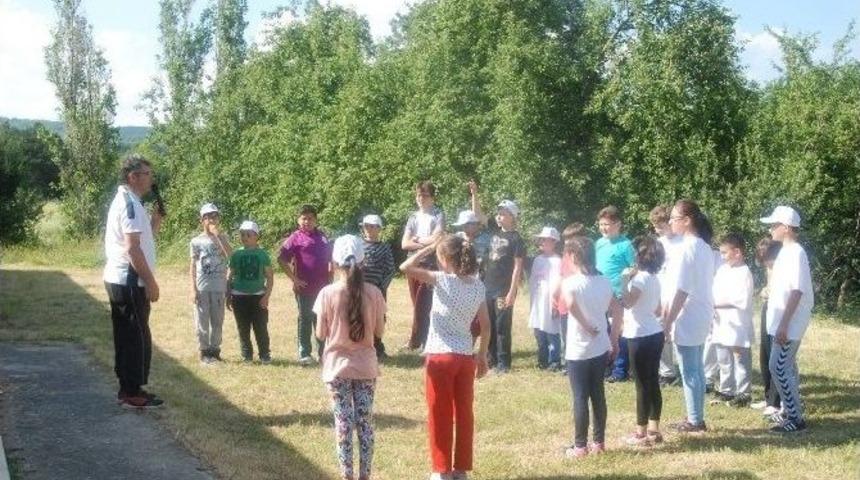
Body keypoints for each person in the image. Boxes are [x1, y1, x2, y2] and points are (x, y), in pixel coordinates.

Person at [400, 235, 490, 480]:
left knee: (439, 413)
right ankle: (461, 469)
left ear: (444, 259)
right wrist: (481, 355)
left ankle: (442, 470)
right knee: (464, 414)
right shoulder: (478, 285)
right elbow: (486, 325)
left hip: (440, 356)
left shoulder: (441, 280)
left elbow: (405, 268)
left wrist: (428, 247)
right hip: (465, 357)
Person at [314, 235, 387, 480]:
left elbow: (320, 333)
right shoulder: (375, 293)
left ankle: (347, 475)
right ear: (363, 262)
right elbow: (378, 332)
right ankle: (365, 475)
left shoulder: (327, 293)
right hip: (366, 366)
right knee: (365, 424)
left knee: (343, 425)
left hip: (336, 367)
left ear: (335, 264)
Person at [103, 154, 164, 409]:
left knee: (131, 334)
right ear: (133, 177)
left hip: (125, 280)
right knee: (134, 336)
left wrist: (155, 221)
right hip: (129, 281)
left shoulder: (132, 202)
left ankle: (130, 388)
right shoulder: (128, 204)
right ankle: (131, 391)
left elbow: (143, 240)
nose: (152, 180)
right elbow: (133, 250)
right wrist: (150, 282)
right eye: (148, 174)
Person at [561, 236, 623, 458]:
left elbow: (569, 305)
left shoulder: (570, 282)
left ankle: (579, 447)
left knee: (580, 396)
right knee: (598, 394)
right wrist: (614, 339)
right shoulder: (604, 281)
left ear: (574, 256)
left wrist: (586, 325)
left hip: (579, 348)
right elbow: (618, 310)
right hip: (600, 346)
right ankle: (599, 443)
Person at [663, 200, 715, 433]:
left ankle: (695, 420)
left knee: (689, 369)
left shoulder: (687, 248)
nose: (670, 222)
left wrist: (668, 320)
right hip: (701, 312)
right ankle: (695, 414)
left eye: (674, 218)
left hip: (688, 314)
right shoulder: (704, 246)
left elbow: (682, 289)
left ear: (687, 221)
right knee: (696, 367)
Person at [760, 206, 814, 433]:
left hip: (789, 324)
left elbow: (797, 291)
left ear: (786, 227)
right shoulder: (785, 252)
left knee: (778, 367)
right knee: (787, 367)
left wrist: (783, 325)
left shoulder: (796, 253)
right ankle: (788, 411)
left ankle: (795, 418)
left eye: (774, 225)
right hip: (782, 321)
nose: (771, 229)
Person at [620, 236, 666, 446]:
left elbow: (628, 303)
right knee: (653, 381)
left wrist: (623, 280)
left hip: (639, 335)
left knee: (641, 384)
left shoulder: (639, 279)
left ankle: (640, 433)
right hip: (655, 332)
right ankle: (654, 429)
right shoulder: (655, 278)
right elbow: (657, 309)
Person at [279, 204, 332, 365]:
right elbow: (281, 259)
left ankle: (323, 353)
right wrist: (294, 279)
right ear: (298, 220)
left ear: (316, 220)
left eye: (310, 218)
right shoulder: (295, 238)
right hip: (304, 288)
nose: (307, 221)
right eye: (304, 218)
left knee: (322, 319)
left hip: (323, 288)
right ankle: (305, 353)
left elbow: (330, 259)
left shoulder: (322, 237)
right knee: (305, 319)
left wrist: (331, 280)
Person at [711, 233, 755, 407]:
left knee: (740, 359)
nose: (722, 257)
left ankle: (743, 393)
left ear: (737, 252)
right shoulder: (722, 270)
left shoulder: (744, 272)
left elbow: (741, 300)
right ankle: (726, 389)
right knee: (723, 358)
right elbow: (714, 291)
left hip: (737, 323)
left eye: (724, 253)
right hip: (721, 322)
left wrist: (718, 305)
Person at [401, 181, 446, 351]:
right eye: (418, 195)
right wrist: (426, 242)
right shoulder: (413, 217)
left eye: (425, 195)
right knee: (416, 303)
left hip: (430, 264)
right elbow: (404, 244)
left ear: (432, 197)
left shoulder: (438, 214)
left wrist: (417, 239)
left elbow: (437, 238)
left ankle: (425, 340)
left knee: (426, 303)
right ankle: (417, 339)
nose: (420, 198)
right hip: (412, 264)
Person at [483, 199, 526, 373]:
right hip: (488, 288)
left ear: (512, 217)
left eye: (503, 214)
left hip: (503, 289)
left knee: (502, 326)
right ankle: (490, 358)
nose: (499, 217)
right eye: (498, 213)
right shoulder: (493, 235)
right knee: (489, 324)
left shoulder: (516, 239)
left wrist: (512, 291)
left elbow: (518, 267)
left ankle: (503, 363)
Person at [595, 206, 635, 382]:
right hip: (599, 295)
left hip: (618, 296)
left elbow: (635, 268)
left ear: (618, 224)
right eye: (601, 224)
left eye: (608, 224)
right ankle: (605, 365)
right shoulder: (598, 243)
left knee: (618, 332)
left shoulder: (626, 245)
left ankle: (620, 370)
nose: (604, 228)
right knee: (602, 331)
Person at [190, 203, 232, 364]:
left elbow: (231, 256)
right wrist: (192, 288)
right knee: (202, 320)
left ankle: (215, 350)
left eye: (214, 216)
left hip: (219, 286)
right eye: (207, 217)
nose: (211, 220)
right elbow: (192, 265)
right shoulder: (196, 241)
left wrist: (219, 236)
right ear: (202, 220)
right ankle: (204, 351)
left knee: (217, 320)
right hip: (202, 286)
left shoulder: (223, 238)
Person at [227, 221, 274, 363]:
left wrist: (266, 297)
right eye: (242, 234)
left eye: (248, 234)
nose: (245, 237)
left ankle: (265, 355)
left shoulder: (263, 254)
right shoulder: (236, 254)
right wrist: (228, 294)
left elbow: (270, 277)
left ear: (256, 236)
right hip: (239, 297)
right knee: (243, 328)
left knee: (260, 327)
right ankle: (246, 355)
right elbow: (229, 275)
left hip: (258, 297)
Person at [751, 237, 783, 415]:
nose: (766, 265)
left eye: (768, 261)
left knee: (775, 357)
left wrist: (769, 292)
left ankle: (776, 402)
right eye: (762, 261)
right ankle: (768, 398)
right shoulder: (769, 267)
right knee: (764, 354)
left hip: (778, 311)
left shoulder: (783, 266)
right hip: (768, 307)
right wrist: (765, 290)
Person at [649, 205, 681, 386]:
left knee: (678, 332)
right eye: (655, 226)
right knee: (661, 331)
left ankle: (684, 368)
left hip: (677, 293)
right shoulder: (658, 243)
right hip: (660, 292)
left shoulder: (682, 242)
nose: (657, 230)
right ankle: (666, 371)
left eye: (660, 226)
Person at [359, 214, 396, 360]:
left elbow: (390, 269)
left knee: (379, 317)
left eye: (372, 226)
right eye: (366, 226)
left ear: (379, 229)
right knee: (361, 317)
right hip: (360, 289)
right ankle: (362, 346)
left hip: (378, 289)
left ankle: (377, 346)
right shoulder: (358, 245)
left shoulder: (384, 247)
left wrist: (382, 287)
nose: (369, 229)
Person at [528, 227, 562, 370]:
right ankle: (542, 358)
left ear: (554, 242)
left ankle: (554, 360)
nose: (542, 242)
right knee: (539, 328)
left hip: (550, 300)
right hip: (538, 299)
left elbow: (559, 282)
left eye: (545, 240)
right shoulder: (537, 260)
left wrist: (555, 303)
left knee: (552, 329)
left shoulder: (558, 261)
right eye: (541, 239)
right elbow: (533, 280)